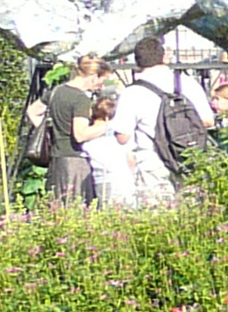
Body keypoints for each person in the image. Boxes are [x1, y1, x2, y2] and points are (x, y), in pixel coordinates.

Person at [114, 36, 210, 209]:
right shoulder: (186, 82)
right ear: (165, 57)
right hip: (188, 156)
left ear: (137, 62)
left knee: (158, 216)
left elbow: (122, 136)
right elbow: (207, 121)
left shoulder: (133, 92)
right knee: (192, 213)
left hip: (152, 160)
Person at [45, 54, 106, 207]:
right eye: (101, 81)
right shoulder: (81, 99)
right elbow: (80, 135)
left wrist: (53, 131)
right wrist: (107, 126)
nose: (101, 86)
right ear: (93, 76)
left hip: (57, 160)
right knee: (78, 209)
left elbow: (33, 111)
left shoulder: (57, 91)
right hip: (75, 162)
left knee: (57, 208)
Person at [79, 89, 139, 208]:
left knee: (107, 211)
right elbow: (131, 160)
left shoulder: (88, 139)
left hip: (101, 180)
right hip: (124, 179)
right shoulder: (119, 135)